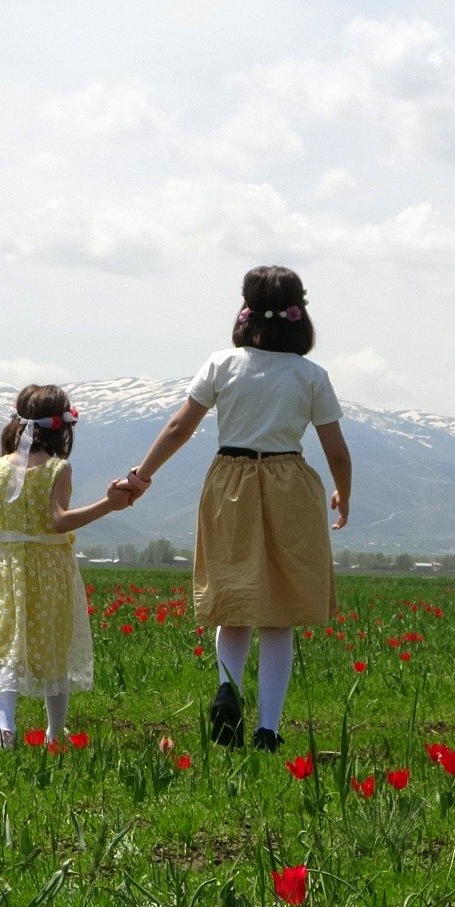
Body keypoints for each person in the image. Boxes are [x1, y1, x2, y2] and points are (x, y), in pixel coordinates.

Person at [118, 266, 352, 751]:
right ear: (299, 314)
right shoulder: (311, 376)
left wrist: (141, 476)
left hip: (230, 480)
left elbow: (178, 428)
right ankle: (267, 729)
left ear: (244, 309)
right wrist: (342, 494)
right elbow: (337, 450)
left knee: (234, 599)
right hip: (290, 483)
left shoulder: (222, 365)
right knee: (279, 613)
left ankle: (229, 685)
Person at [0, 385, 133, 749]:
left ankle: (4, 728)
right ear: (61, 427)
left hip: (5, 567)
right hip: (50, 568)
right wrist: (108, 504)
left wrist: (2, 546)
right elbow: (59, 521)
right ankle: (54, 734)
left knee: (6, 645)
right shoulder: (58, 469)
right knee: (53, 646)